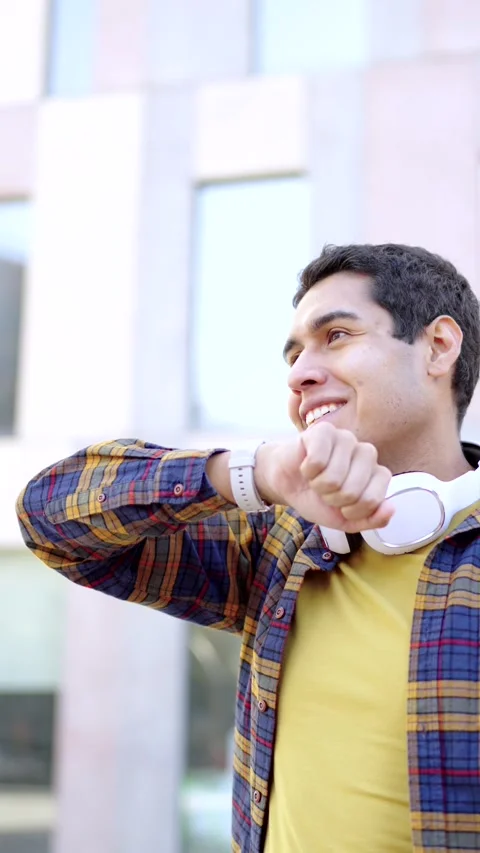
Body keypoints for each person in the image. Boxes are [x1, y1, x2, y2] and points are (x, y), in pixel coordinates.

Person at [16, 243, 480, 853]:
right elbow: (51, 515)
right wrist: (255, 476)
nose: (299, 374)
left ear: (439, 347)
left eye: (336, 335)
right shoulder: (276, 547)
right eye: (293, 355)